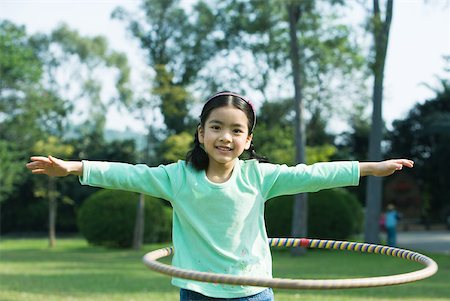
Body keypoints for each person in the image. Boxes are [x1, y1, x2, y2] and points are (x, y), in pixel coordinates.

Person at [26, 91, 414, 301]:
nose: (225, 137)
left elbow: (313, 174)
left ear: (247, 141)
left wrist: (369, 168)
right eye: (216, 127)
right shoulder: (178, 178)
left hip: (253, 293)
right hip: (197, 293)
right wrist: (74, 167)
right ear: (201, 133)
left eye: (235, 130)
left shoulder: (259, 178)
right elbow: (129, 174)